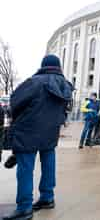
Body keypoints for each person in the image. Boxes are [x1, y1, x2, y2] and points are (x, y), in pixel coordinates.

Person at [3, 55, 73, 220]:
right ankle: (47, 197)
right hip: (50, 131)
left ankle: (24, 208)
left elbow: (15, 101)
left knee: (26, 168)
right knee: (49, 162)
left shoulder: (35, 82)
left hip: (29, 130)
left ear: (43, 65)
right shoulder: (66, 86)